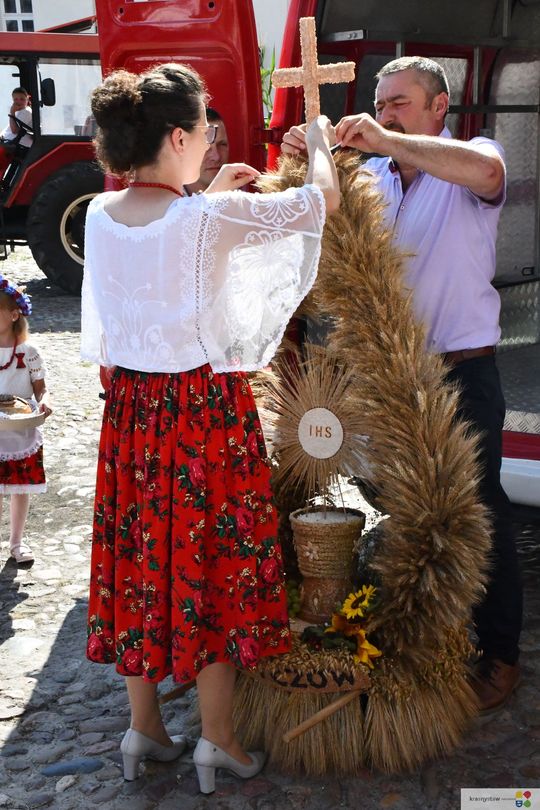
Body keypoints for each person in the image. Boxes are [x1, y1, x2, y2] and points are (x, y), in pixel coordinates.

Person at [81, 63, 339, 794]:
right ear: (176, 137)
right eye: (202, 132)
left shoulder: (99, 214)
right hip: (202, 415)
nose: (207, 143)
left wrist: (207, 196)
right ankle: (217, 739)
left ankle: (144, 727)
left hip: (132, 415)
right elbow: (321, 203)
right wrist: (320, 139)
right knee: (215, 563)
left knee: (142, 561)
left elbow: (162, 238)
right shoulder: (207, 219)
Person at [282, 55, 521, 714]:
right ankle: (431, 643)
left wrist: (386, 140)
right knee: (411, 513)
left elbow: (490, 175)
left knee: (480, 510)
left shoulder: (472, 157)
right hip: (392, 374)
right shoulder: (371, 180)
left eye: (399, 103)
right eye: (381, 103)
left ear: (439, 107)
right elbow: (321, 230)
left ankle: (500, 655)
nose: (384, 113)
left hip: (462, 371)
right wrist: (307, 158)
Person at [0, 275, 52, 565]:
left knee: (19, 487)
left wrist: (45, 401)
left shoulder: (28, 353)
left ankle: (17, 542)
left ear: (13, 314)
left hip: (21, 426)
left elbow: (40, 388)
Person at [185, 107, 229, 194]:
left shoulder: (239, 200)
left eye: (222, 144)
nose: (216, 157)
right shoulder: (166, 201)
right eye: (205, 146)